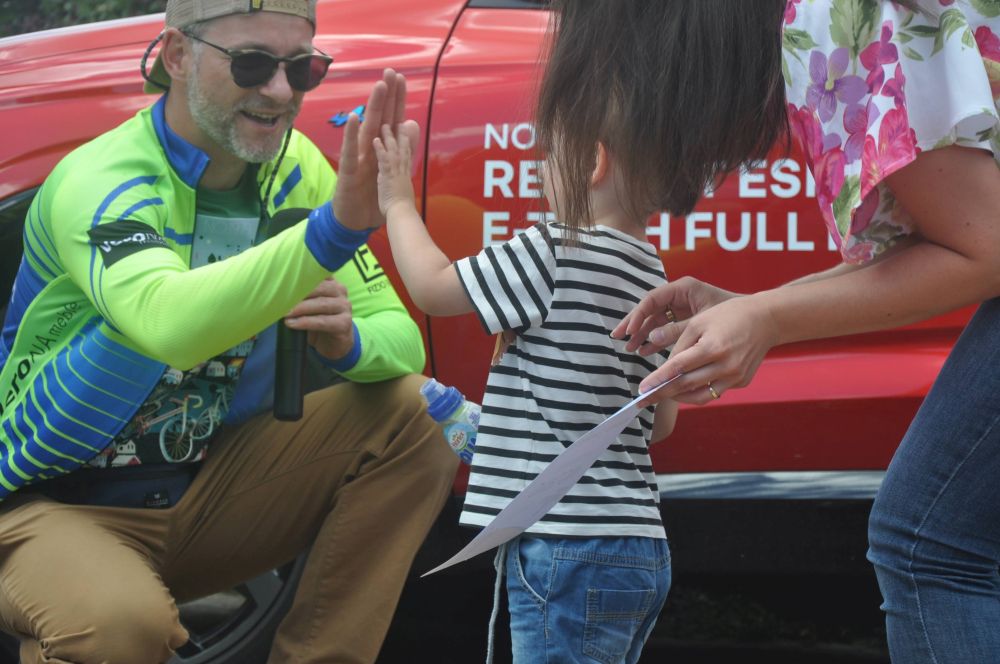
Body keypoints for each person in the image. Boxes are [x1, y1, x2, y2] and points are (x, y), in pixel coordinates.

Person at [537, 1, 1000, 662]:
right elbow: (961, 236)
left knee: (929, 543)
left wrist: (770, 318)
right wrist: (759, 307)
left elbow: (984, 251)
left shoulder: (825, 17)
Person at [0, 1, 459, 662]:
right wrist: (329, 233)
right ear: (177, 56)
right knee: (120, 625)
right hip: (47, 505)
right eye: (251, 63)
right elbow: (166, 321)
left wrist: (348, 342)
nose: (280, 91)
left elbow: (401, 338)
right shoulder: (104, 177)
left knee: (422, 416)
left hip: (205, 494)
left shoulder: (297, 169)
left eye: (301, 69)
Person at [373, 118, 679, 663]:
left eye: (547, 155)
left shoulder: (553, 250)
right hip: (640, 545)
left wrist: (397, 202)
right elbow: (660, 424)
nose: (539, 171)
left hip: (564, 544)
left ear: (593, 162)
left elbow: (433, 288)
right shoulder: (655, 277)